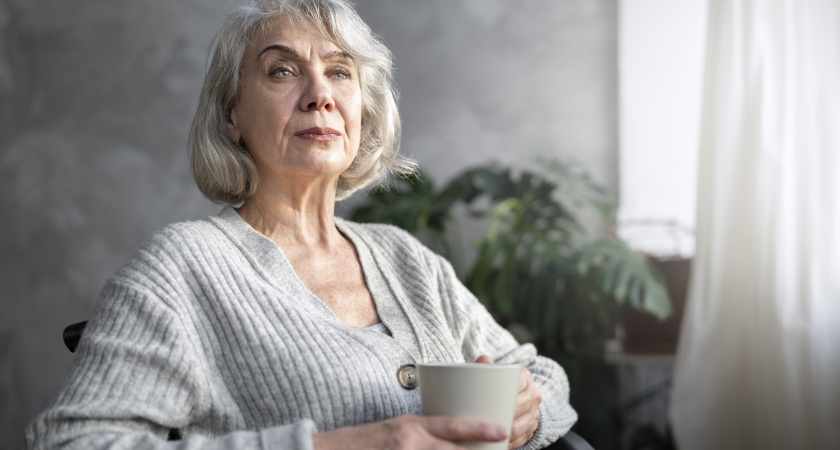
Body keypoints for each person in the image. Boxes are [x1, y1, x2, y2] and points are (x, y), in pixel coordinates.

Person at [25, 0, 577, 448]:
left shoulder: (405, 258)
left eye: (339, 72)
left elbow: (543, 380)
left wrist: (525, 415)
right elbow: (75, 440)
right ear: (232, 116)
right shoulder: (183, 266)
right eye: (282, 70)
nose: (320, 95)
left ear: (362, 109)